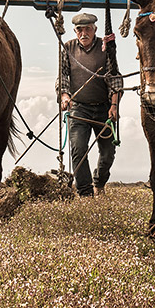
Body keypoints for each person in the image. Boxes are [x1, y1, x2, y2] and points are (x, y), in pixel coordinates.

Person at [58, 12, 121, 197]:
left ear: (94, 29)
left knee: (108, 152)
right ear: (75, 31)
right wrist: (64, 96)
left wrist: (114, 105)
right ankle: (85, 194)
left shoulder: (106, 47)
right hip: (79, 108)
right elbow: (62, 76)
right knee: (78, 149)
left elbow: (115, 79)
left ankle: (99, 182)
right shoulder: (68, 47)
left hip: (104, 107)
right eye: (79, 30)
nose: (83, 33)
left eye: (87, 29)